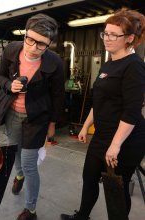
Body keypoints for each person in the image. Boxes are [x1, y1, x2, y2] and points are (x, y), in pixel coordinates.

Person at [61, 8, 145, 220]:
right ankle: (82, 216)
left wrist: (115, 145)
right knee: (89, 177)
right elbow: (98, 101)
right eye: (105, 33)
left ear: (129, 39)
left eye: (113, 35)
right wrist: (86, 125)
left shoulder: (134, 66)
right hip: (102, 136)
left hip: (125, 140)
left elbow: (132, 111)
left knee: (116, 186)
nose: (107, 38)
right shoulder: (108, 63)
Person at [0, 14, 65, 220]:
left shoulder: (55, 62)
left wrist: (52, 124)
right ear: (25, 35)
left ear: (50, 44)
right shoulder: (12, 50)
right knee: (15, 150)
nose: (33, 47)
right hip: (12, 113)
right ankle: (19, 176)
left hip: (37, 118)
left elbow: (58, 96)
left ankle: (30, 210)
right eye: (29, 39)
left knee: (29, 163)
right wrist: (9, 85)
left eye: (41, 44)